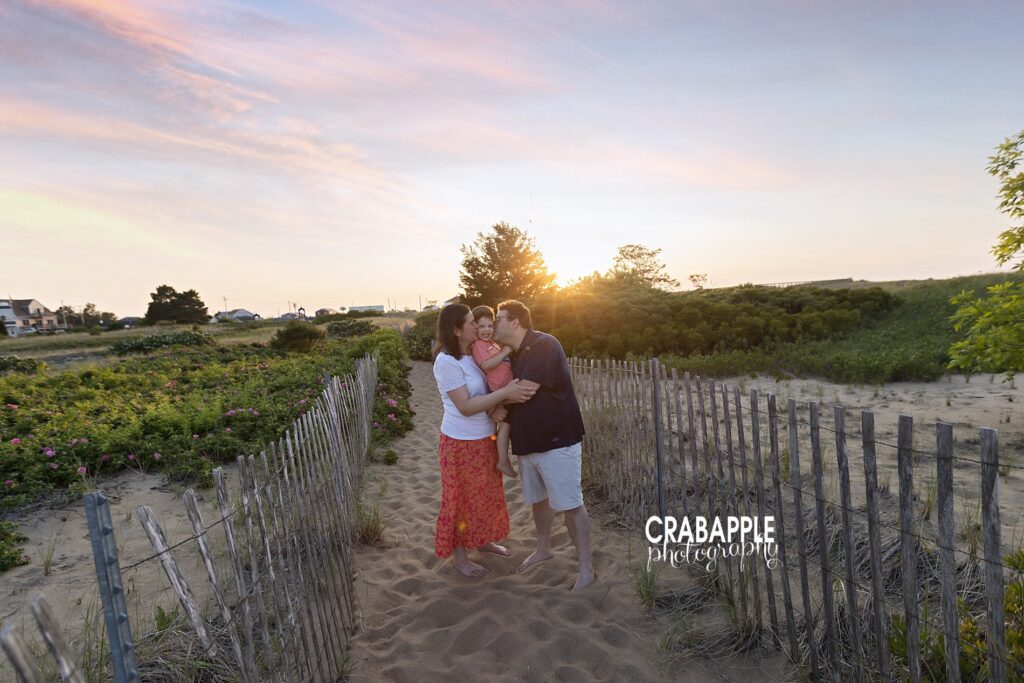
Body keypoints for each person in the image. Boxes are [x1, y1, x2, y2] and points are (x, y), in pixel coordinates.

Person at [493, 299, 595, 591]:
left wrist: (494, 402)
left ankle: (586, 568)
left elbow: (524, 391)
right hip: (528, 443)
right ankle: (543, 548)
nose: (495, 323)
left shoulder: (543, 345)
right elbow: (515, 392)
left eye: (499, 318)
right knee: (539, 501)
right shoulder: (516, 353)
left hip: (556, 441)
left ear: (514, 321)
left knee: (571, 505)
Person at [432, 303, 537, 577]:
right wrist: (505, 395)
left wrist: (497, 405)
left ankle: (483, 540)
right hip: (460, 442)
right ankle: (460, 558)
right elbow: (465, 406)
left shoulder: (471, 354)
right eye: (470, 322)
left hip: (483, 438)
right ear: (456, 330)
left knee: (486, 494)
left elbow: (489, 386)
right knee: (460, 499)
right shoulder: (446, 362)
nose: (476, 326)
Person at [470, 305, 517, 478]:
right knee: (507, 422)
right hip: (501, 388)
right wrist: (505, 351)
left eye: (490, 326)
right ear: (475, 327)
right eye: (482, 326)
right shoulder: (479, 345)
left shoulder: (492, 344)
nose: (486, 330)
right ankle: (503, 460)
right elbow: (487, 365)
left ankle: (503, 459)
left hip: (507, 385)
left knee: (507, 422)